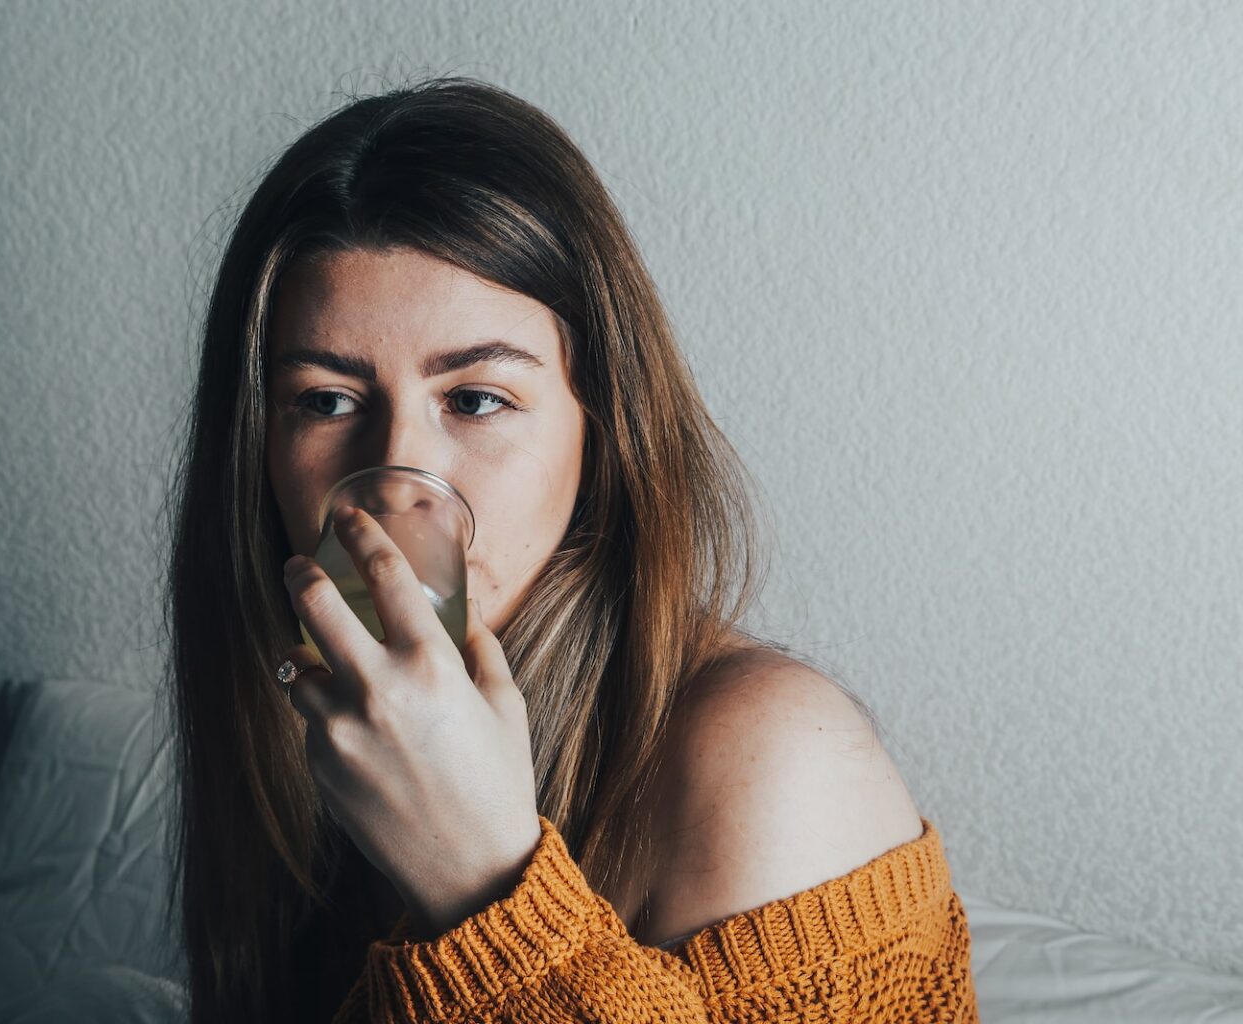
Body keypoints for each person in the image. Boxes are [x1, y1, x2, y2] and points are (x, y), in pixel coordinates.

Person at [162, 75, 978, 1023]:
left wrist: (482, 889)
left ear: (603, 428)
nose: (397, 480)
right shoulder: (298, 733)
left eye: (475, 399)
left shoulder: (773, 761)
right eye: (328, 401)